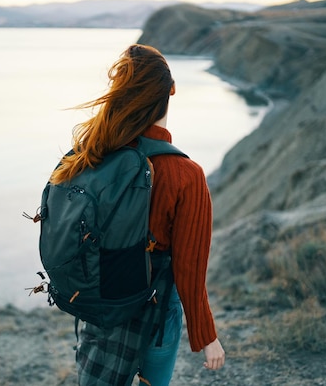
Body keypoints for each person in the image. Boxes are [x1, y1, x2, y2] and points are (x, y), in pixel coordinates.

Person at [49, 44, 225, 385]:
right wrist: (206, 337)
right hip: (156, 309)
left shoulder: (95, 153)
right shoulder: (185, 173)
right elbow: (188, 268)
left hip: (104, 300)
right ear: (170, 91)